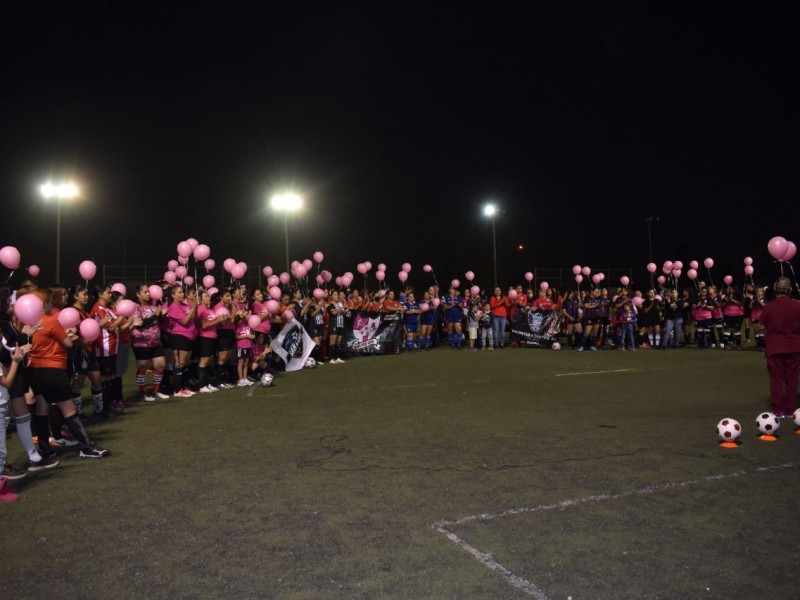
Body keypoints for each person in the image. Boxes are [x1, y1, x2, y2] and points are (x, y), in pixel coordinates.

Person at [26, 288, 110, 458]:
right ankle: (87, 447)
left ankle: (45, 449)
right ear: (44, 304)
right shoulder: (49, 321)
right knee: (69, 410)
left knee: (42, 409)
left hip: (35, 370)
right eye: (49, 302)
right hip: (53, 370)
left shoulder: (28, 324)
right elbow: (68, 343)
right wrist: (70, 336)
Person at [758, 277, 800, 418]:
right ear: (790, 290)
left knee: (776, 379)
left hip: (775, 347)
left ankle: (778, 410)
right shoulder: (797, 305)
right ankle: (790, 409)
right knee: (791, 379)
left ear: (776, 289)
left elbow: (761, 326)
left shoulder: (769, 306)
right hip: (794, 346)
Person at [130, 284, 169, 401]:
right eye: (145, 292)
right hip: (141, 342)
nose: (148, 294)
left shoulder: (153, 306)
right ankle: (144, 393)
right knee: (143, 367)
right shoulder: (135, 307)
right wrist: (155, 315)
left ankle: (155, 391)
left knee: (160, 365)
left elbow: (158, 322)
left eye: (149, 292)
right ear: (138, 294)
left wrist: (162, 315)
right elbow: (140, 323)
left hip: (156, 341)